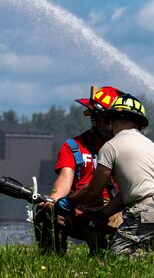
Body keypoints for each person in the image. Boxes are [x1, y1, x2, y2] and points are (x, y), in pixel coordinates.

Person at [61, 93, 154, 255]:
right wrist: (103, 215)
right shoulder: (150, 145)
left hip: (148, 213)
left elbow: (93, 190)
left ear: (110, 120)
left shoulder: (111, 147)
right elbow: (129, 193)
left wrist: (68, 202)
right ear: (139, 124)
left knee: (117, 257)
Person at [34, 86, 123, 254]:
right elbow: (64, 181)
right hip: (76, 205)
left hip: (112, 209)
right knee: (46, 213)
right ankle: (51, 262)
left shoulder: (124, 148)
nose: (114, 126)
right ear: (96, 119)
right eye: (109, 121)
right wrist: (53, 200)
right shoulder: (73, 147)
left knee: (107, 255)